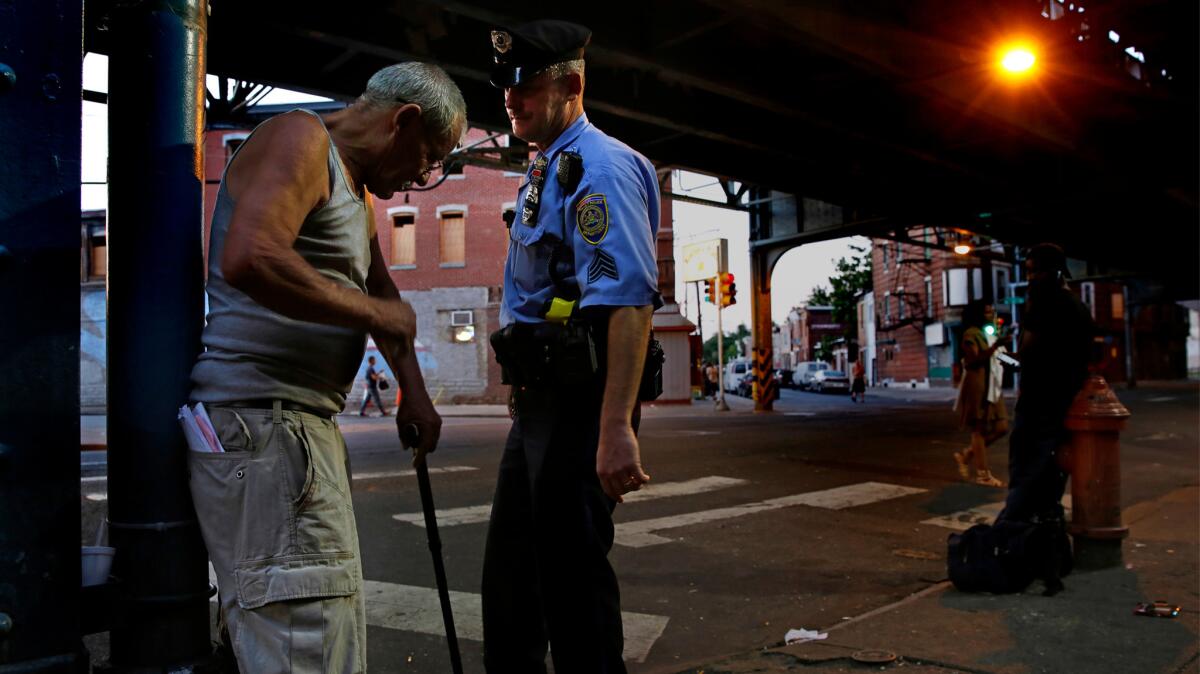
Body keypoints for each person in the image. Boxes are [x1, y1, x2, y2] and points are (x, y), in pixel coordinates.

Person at [186, 62, 466, 670]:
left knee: (312, 634)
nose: (426, 175)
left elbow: (385, 301)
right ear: (404, 121)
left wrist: (413, 393)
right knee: (306, 644)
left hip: (292, 428)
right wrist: (373, 313)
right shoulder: (301, 140)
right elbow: (251, 255)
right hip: (266, 424)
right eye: (431, 156)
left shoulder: (356, 191)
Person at [480, 20, 660, 673]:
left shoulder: (602, 168)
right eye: (506, 86)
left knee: (570, 581)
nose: (511, 99)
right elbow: (562, 291)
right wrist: (525, 376)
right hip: (543, 399)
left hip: (581, 405)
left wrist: (615, 428)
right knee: (512, 581)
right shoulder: (550, 164)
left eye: (527, 86)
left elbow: (627, 301)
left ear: (572, 85)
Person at [999, 243, 1096, 522]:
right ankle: (1041, 540)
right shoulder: (1078, 306)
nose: (1029, 279)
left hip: (1038, 406)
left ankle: (1010, 539)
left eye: (1033, 272)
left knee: (1026, 477)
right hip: (1066, 405)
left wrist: (1003, 358)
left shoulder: (1044, 301)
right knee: (1050, 482)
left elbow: (1027, 359)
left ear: (1051, 272)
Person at [953, 300, 1009, 487]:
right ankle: (983, 474)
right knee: (978, 428)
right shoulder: (971, 334)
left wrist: (1016, 361)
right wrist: (995, 346)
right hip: (978, 384)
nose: (990, 315)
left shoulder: (989, 333)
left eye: (992, 312)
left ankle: (967, 454)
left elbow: (1000, 356)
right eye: (986, 312)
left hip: (993, 384)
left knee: (1001, 427)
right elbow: (974, 359)